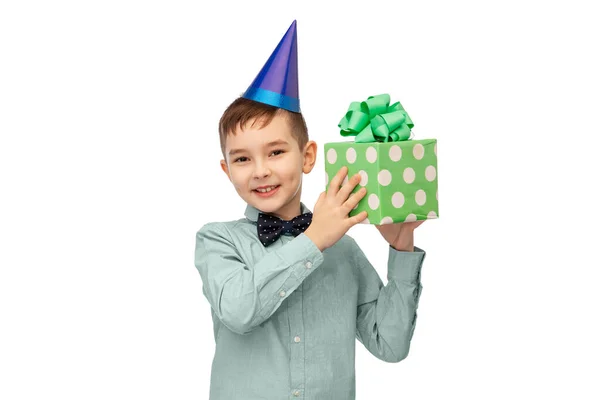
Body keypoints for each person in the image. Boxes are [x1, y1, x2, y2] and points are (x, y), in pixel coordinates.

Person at [194, 20, 426, 400]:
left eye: (276, 151)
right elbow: (238, 311)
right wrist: (315, 238)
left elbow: (390, 345)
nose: (261, 170)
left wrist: (401, 249)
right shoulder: (217, 240)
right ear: (226, 170)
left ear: (307, 156)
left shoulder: (344, 250)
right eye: (242, 159)